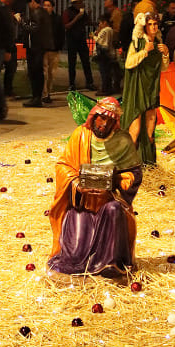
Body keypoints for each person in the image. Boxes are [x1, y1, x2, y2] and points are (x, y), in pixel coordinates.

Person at [47, 96, 142, 276]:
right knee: (74, 250)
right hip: (82, 202)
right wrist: (76, 184)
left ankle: (108, 264)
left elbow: (134, 174)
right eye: (102, 118)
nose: (104, 124)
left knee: (114, 211)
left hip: (108, 201)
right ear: (94, 116)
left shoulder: (123, 141)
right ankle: (76, 261)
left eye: (110, 120)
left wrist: (113, 181)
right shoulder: (80, 135)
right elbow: (63, 165)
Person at [122, 13, 169, 165]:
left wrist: (166, 54)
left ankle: (147, 161)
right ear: (144, 26)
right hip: (138, 89)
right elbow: (128, 63)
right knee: (134, 130)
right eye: (150, 24)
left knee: (150, 131)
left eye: (155, 24)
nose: (154, 27)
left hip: (151, 89)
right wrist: (144, 51)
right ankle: (128, 163)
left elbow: (163, 68)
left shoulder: (159, 43)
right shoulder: (138, 42)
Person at [22, 0, 54, 107]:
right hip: (38, 47)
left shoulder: (37, 13)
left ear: (33, 2)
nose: (29, 6)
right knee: (37, 72)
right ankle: (36, 97)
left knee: (35, 72)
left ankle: (36, 98)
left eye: (29, 3)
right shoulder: (41, 13)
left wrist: (21, 22)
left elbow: (34, 29)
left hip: (36, 47)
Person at [63, 0, 95, 92]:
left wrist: (88, 14)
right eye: (80, 2)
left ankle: (89, 83)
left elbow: (88, 23)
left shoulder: (82, 12)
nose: (81, 4)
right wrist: (77, 17)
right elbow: (66, 26)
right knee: (72, 63)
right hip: (72, 39)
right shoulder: (67, 12)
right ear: (74, 3)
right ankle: (72, 84)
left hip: (81, 39)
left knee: (86, 61)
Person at [42, 0, 65, 102]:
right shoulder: (40, 17)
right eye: (45, 5)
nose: (46, 7)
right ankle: (44, 94)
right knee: (44, 73)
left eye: (48, 5)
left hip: (54, 49)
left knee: (52, 73)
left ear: (52, 7)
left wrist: (59, 46)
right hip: (43, 49)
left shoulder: (57, 19)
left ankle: (49, 92)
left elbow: (61, 33)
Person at [94, 14, 121, 96]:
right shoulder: (110, 30)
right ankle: (108, 88)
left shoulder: (106, 30)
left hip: (104, 54)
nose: (99, 25)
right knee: (107, 72)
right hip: (107, 54)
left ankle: (105, 89)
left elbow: (101, 41)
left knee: (104, 72)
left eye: (100, 23)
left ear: (105, 22)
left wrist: (94, 36)